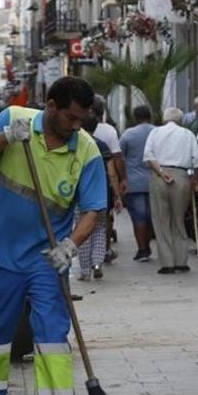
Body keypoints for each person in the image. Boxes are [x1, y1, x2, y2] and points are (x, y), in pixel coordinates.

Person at [0, 76, 106, 395]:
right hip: (2, 256)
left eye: (82, 119)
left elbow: (94, 210)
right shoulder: (14, 119)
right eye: (72, 117)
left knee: (53, 341)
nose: (77, 126)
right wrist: (3, 139)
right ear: (51, 106)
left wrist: (70, 246)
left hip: (47, 261)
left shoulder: (86, 151)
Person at [142, 107, 198, 274]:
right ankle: (181, 261)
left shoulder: (155, 133)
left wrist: (161, 172)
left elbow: (148, 156)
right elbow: (197, 161)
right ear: (180, 120)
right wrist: (194, 180)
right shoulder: (188, 134)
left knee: (161, 221)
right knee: (179, 219)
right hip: (182, 176)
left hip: (159, 176)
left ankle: (167, 263)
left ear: (164, 119)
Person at [76, 113, 117, 281]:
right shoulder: (102, 146)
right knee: (100, 229)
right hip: (102, 195)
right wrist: (117, 195)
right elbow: (112, 172)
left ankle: (85, 270)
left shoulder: (77, 145)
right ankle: (98, 264)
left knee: (83, 229)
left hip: (81, 195)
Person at [119, 105, 156, 261]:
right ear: (150, 115)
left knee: (139, 217)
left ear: (135, 117)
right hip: (155, 180)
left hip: (134, 182)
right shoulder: (157, 132)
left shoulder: (128, 134)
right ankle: (146, 246)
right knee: (150, 217)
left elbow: (119, 156)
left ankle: (143, 249)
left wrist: (123, 179)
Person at [91, 96, 123, 263]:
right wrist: (120, 181)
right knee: (105, 219)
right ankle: (104, 249)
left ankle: (89, 257)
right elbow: (116, 158)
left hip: (84, 184)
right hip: (104, 184)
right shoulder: (109, 131)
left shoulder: (80, 130)